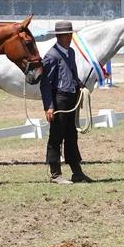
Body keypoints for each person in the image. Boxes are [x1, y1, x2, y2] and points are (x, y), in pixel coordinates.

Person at [39, 20, 91, 185]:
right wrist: (49, 106)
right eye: (67, 35)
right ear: (60, 36)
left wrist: (79, 83)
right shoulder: (51, 55)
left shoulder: (71, 53)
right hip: (59, 99)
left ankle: (77, 171)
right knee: (56, 136)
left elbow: (71, 73)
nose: (70, 38)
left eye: (70, 35)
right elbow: (45, 83)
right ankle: (55, 174)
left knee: (71, 135)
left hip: (71, 97)